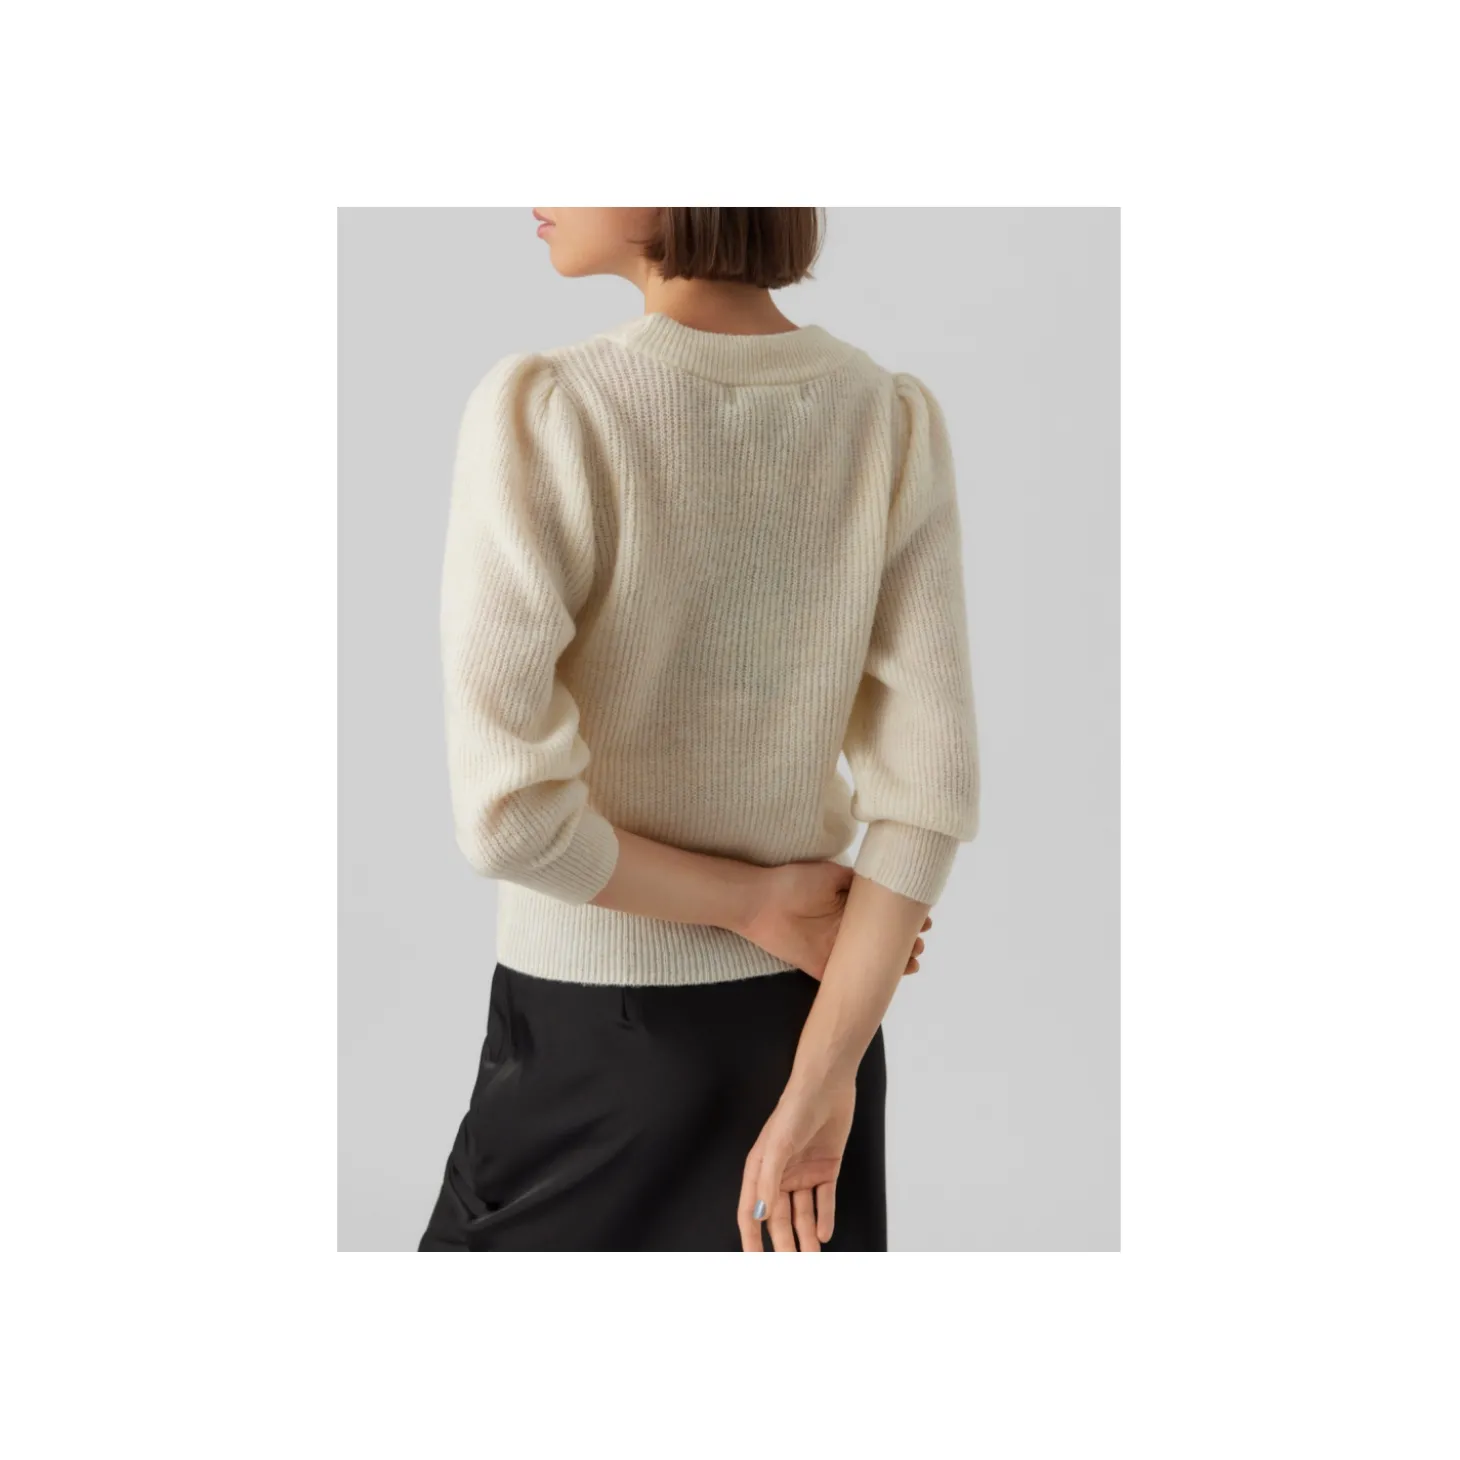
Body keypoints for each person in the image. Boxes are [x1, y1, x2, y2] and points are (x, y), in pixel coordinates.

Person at [417, 207, 980, 1252]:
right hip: (814, 1037)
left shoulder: (553, 411)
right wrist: (824, 1077)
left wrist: (750, 904)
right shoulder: (886, 419)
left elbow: (510, 821)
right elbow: (929, 794)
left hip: (596, 1045)